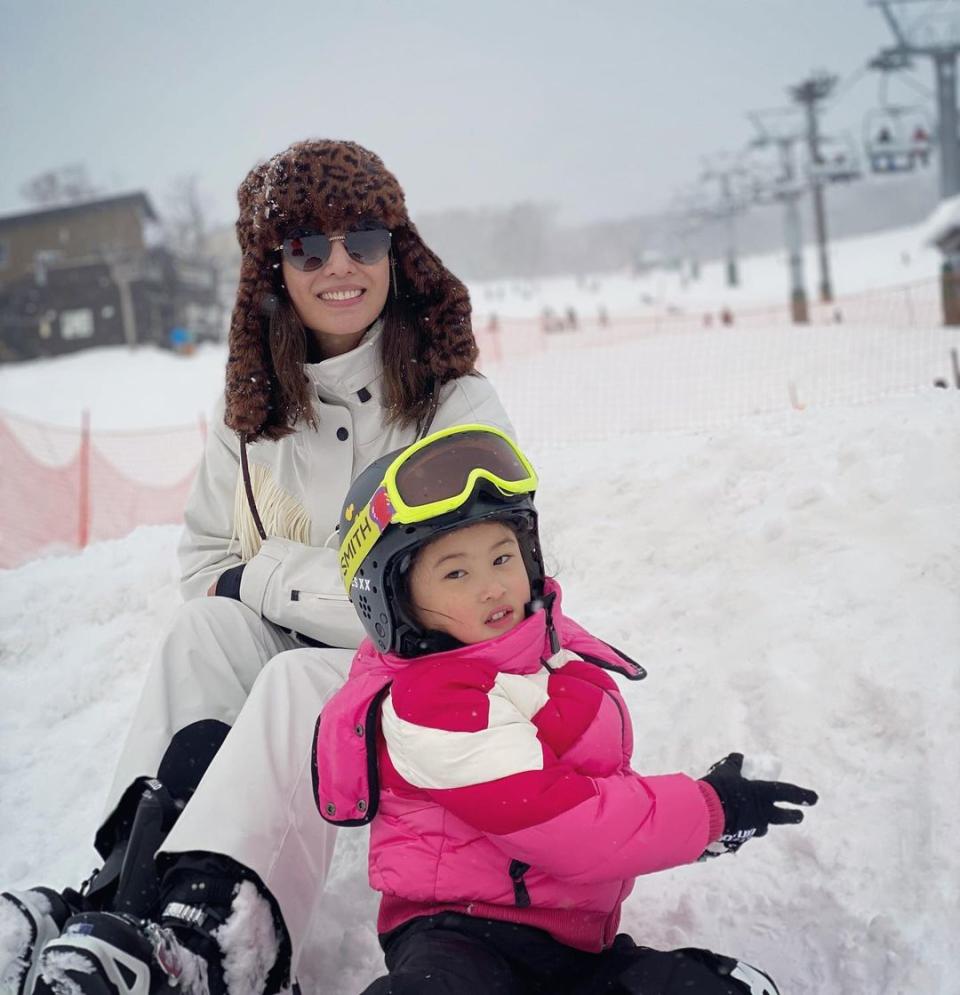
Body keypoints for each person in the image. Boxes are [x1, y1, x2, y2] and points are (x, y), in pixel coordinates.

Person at [0, 140, 513, 995]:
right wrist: (282, 589)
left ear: (398, 248)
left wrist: (270, 573)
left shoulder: (454, 402)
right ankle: (127, 884)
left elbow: (446, 599)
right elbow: (204, 562)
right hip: (316, 651)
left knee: (299, 679)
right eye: (309, 247)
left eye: (364, 241)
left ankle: (230, 942)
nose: (339, 266)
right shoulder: (254, 410)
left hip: (436, 681)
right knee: (206, 628)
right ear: (274, 267)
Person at [313, 424, 819, 994]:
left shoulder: (556, 668)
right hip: (461, 936)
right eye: (456, 572)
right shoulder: (430, 700)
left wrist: (698, 824)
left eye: (503, 558)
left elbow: (598, 802)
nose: (492, 587)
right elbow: (562, 824)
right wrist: (708, 811)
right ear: (393, 600)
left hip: (574, 946)